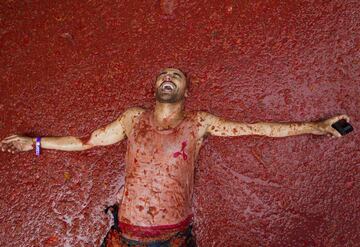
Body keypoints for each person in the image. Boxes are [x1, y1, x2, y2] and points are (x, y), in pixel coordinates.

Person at [0, 68, 351, 247]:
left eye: (176, 76)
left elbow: (256, 128)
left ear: (185, 90)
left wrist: (315, 127)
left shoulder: (199, 123)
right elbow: (84, 142)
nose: (168, 77)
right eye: (163, 75)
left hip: (173, 239)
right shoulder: (132, 119)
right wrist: (34, 143)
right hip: (125, 236)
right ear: (155, 88)